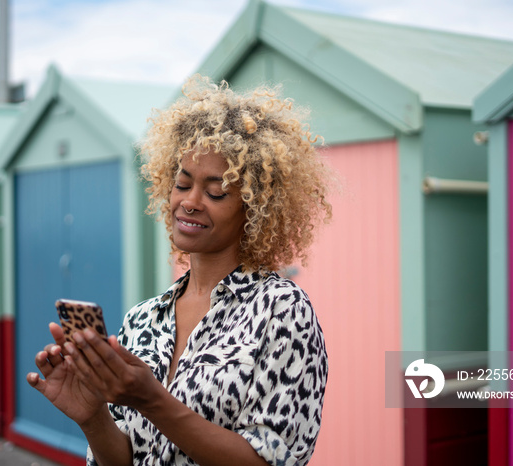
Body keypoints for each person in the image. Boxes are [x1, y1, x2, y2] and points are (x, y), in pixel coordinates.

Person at [27, 74, 333, 466]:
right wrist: (92, 417)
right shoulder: (143, 319)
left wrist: (152, 400)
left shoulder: (281, 311)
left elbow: (271, 461)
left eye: (215, 191)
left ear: (256, 208)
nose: (189, 202)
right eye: (182, 184)